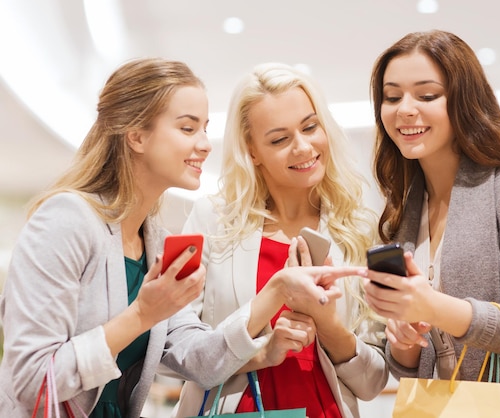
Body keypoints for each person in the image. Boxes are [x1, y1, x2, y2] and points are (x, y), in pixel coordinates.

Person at [0, 58, 363, 418]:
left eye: (205, 128)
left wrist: (272, 311)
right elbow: (31, 381)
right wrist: (141, 315)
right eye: (188, 129)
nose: (206, 145)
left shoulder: (156, 241)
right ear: (137, 135)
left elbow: (197, 358)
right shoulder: (67, 218)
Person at [173, 63, 388, 418]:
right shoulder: (210, 221)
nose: (303, 147)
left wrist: (329, 324)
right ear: (252, 151)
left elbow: (372, 382)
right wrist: (263, 339)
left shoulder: (361, 230)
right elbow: (178, 357)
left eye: (310, 126)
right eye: (279, 139)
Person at [362, 30, 500, 384]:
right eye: (392, 97)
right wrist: (403, 340)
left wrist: (432, 306)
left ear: (464, 100)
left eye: (427, 95)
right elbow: (409, 366)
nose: (405, 109)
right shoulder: (403, 210)